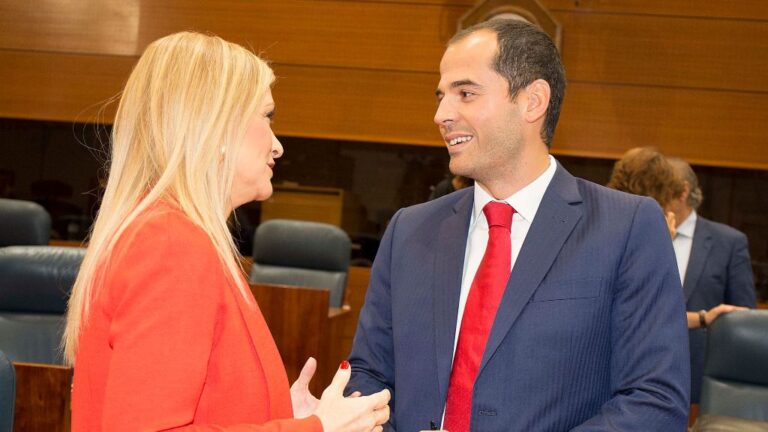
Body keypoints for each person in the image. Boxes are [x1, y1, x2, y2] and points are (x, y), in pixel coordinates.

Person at [347, 19, 689, 431]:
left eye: (466, 94)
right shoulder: (410, 230)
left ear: (533, 101)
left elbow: (654, 400)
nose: (441, 115)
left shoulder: (627, 227)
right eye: (441, 97)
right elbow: (368, 374)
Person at [63, 32, 390, 431]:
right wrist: (316, 428)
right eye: (267, 117)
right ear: (216, 127)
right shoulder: (172, 244)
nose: (278, 146)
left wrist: (278, 409)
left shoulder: (168, 233)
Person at [666, 157, 756, 403]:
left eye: (658, 186)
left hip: (702, 381)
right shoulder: (640, 234)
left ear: (682, 191)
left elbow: (743, 317)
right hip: (639, 372)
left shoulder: (728, 242)